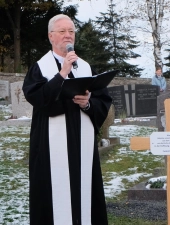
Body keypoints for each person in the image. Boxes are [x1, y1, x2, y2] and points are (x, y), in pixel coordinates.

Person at [22, 14, 111, 225]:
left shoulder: (86, 67)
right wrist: (62, 74)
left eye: (71, 31)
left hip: (82, 146)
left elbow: (103, 100)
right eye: (62, 32)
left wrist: (87, 103)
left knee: (85, 195)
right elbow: (38, 99)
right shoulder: (40, 68)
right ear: (51, 36)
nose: (67, 36)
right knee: (53, 197)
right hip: (51, 148)